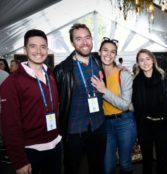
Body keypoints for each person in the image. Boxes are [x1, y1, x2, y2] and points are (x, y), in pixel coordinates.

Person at [0, 29, 62, 174]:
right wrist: (19, 161)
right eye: (33, 46)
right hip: (31, 150)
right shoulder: (12, 82)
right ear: (25, 49)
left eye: (43, 46)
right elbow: (10, 124)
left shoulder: (50, 74)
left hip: (55, 144)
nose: (39, 51)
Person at [53, 23, 106, 174]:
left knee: (98, 167)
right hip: (74, 131)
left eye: (87, 38)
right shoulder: (62, 70)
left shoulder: (98, 61)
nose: (84, 42)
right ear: (72, 42)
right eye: (79, 39)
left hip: (98, 126)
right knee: (72, 169)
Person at [91, 37, 137, 174]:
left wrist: (104, 91)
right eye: (105, 50)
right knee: (107, 166)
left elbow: (125, 104)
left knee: (124, 163)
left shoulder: (123, 75)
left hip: (125, 122)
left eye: (112, 52)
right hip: (105, 124)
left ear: (116, 55)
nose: (108, 54)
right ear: (99, 52)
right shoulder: (95, 74)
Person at [132, 49, 167, 174]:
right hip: (145, 126)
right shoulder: (136, 82)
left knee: (162, 161)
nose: (145, 62)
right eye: (141, 60)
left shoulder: (164, 77)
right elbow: (136, 107)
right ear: (138, 63)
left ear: (153, 60)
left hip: (163, 125)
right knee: (147, 162)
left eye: (148, 59)